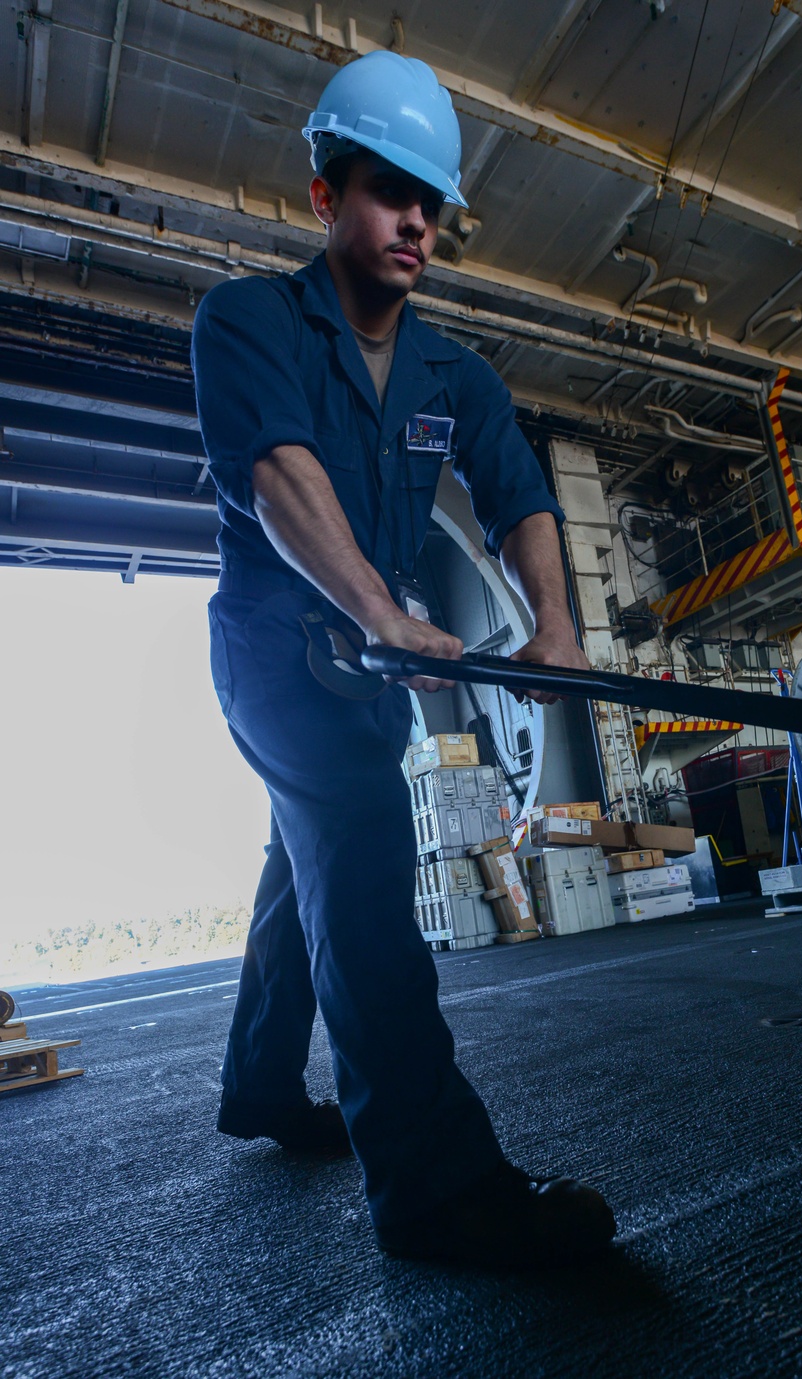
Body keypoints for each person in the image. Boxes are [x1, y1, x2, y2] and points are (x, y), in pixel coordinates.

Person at [191, 50, 615, 1268]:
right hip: (279, 649)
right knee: (363, 861)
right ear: (325, 193)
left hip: (365, 661)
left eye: (432, 203)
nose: (416, 221)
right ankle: (438, 1193)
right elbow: (276, 476)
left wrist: (558, 632)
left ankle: (263, 1085)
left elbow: (517, 490)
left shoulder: (453, 371)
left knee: (303, 862)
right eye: (388, 191)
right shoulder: (247, 319)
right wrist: (383, 609)